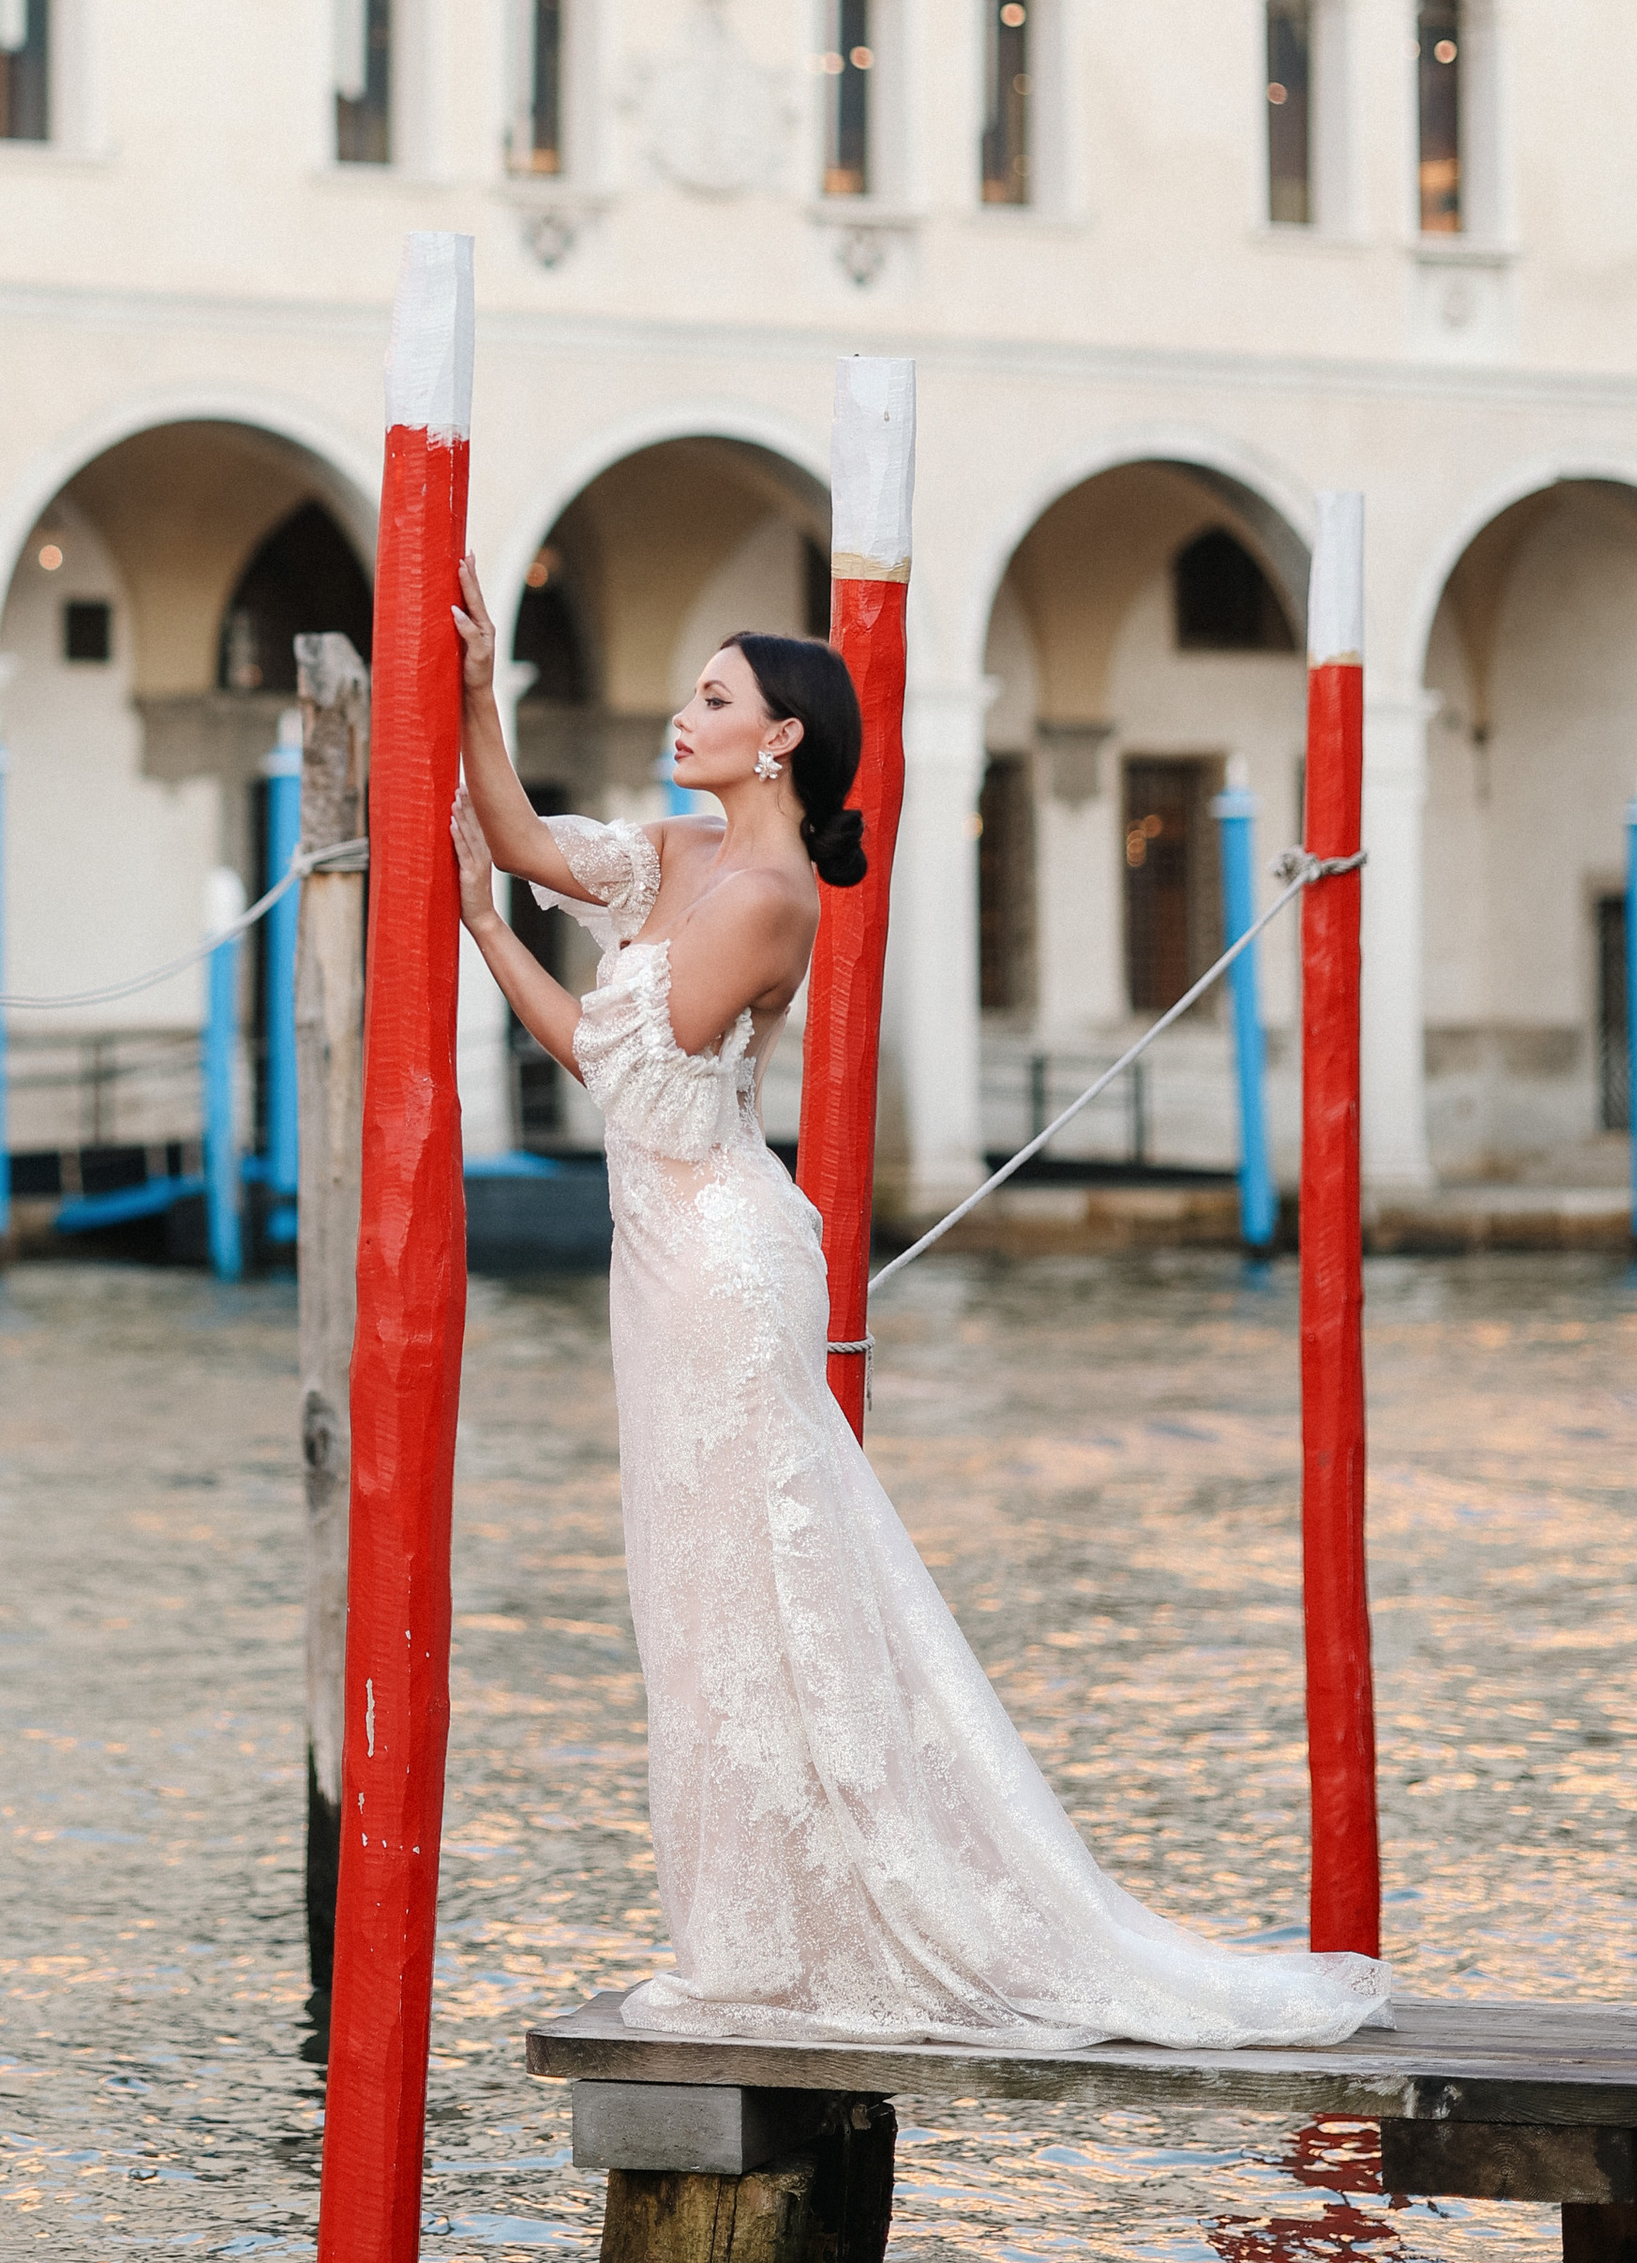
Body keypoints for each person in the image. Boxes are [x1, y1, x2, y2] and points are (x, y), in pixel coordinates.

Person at [447, 555, 1391, 2053]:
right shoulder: (673, 854)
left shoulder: (763, 901)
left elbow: (614, 1069)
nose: (681, 714)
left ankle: (777, 1950)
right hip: (663, 1266)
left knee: (754, 1599)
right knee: (691, 1601)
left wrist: (491, 938)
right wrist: (482, 694)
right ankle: (745, 1933)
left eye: (713, 699)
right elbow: (513, 832)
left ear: (780, 742)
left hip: (721, 1264)